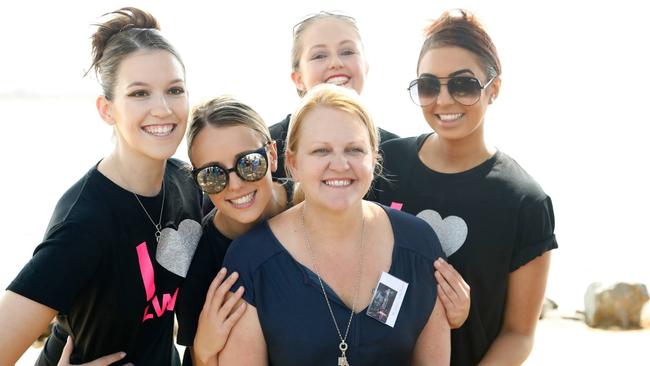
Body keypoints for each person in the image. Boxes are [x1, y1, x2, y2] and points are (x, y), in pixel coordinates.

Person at [0, 8, 202, 365]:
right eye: (140, 93)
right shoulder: (85, 223)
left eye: (174, 90)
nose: (163, 108)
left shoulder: (186, 182)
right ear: (107, 110)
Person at [372, 9, 558, 365]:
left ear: (494, 89)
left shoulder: (525, 202)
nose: (443, 100)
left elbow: (518, 334)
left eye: (463, 84)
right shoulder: (386, 164)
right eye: (428, 85)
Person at [219, 84, 450, 365]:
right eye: (320, 151)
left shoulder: (418, 245)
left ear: (374, 158)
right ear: (293, 163)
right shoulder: (252, 260)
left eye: (354, 149)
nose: (339, 165)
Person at [175, 96, 295, 366]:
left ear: (272, 154)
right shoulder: (200, 261)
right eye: (213, 175)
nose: (236, 185)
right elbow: (199, 359)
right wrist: (204, 350)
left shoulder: (308, 205)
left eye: (249, 163)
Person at [268, 12, 399, 180]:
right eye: (319, 55)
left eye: (347, 51)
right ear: (298, 78)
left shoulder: (395, 152)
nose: (336, 63)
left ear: (365, 67)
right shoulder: (268, 150)